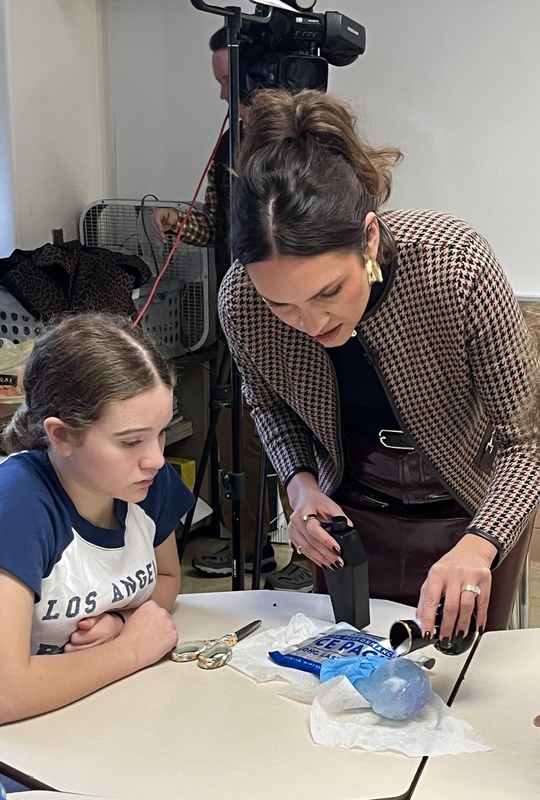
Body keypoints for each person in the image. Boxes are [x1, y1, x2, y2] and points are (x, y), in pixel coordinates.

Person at [218, 87, 540, 639]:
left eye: (328, 291)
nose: (311, 323)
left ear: (368, 239)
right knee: (346, 663)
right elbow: (269, 406)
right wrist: (299, 486)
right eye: (282, 305)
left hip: (474, 509)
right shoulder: (243, 304)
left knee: (465, 671)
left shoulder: (453, 267)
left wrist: (480, 542)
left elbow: (526, 441)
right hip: (349, 516)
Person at [0, 313, 194, 732]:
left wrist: (121, 621)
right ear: (61, 436)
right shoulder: (19, 503)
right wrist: (130, 649)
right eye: (131, 441)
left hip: (86, 702)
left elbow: (166, 578)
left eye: (161, 432)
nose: (155, 458)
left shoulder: (144, 480)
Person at [152, 29, 312, 591]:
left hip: (292, 317)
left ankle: (310, 552)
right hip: (242, 312)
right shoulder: (229, 147)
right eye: (219, 81)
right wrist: (181, 223)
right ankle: (250, 548)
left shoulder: (298, 145)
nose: (223, 94)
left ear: (255, 75)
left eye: (228, 80)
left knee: (294, 431)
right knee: (234, 429)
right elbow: (223, 228)